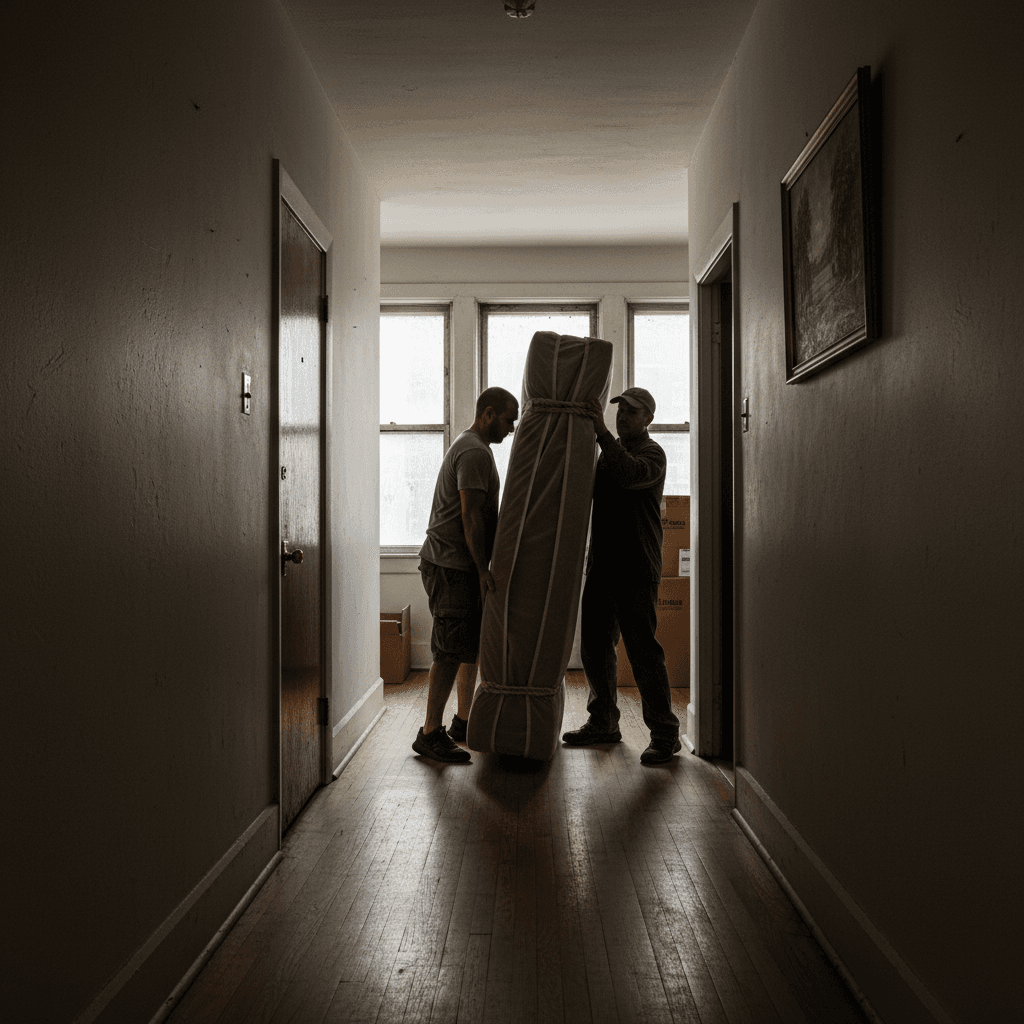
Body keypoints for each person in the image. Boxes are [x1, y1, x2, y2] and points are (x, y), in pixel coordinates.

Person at [562, 386, 682, 764]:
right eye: (620, 410)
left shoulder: (652, 454)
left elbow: (630, 476)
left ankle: (665, 735)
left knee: (644, 652)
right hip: (602, 568)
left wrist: (600, 432)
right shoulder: (606, 457)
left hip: (635, 570)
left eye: (632, 411)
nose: (622, 415)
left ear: (648, 418)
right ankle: (604, 724)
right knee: (595, 648)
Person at [412, 386, 519, 763]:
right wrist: (481, 569)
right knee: (449, 649)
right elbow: (470, 515)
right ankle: (429, 733)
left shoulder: (476, 447)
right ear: (487, 413)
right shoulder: (474, 451)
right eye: (508, 420)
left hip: (458, 564)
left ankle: (461, 721)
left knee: (466, 645)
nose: (511, 428)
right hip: (452, 565)